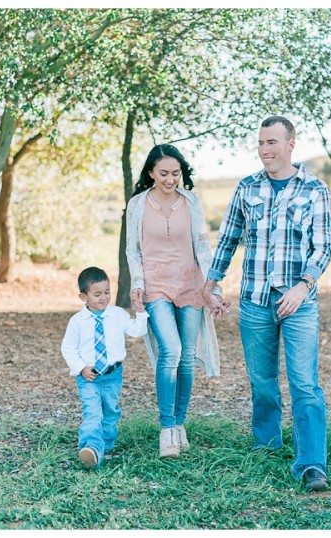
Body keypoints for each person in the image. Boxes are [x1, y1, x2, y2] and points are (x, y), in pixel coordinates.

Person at [202, 116, 331, 491]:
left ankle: (311, 464)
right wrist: (209, 284)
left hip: (299, 302)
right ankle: (267, 445)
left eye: (272, 142)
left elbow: (324, 247)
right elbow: (228, 239)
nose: (265, 150)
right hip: (255, 300)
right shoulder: (247, 188)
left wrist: (303, 286)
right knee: (262, 381)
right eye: (261, 143)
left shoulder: (315, 189)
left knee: (304, 384)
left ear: (291, 144)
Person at [126, 143, 222, 458]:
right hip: (156, 285)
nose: (170, 179)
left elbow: (203, 246)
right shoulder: (137, 204)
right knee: (172, 351)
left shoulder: (192, 202)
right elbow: (133, 250)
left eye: (176, 173)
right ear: (151, 173)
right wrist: (137, 284)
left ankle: (180, 423)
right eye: (164, 173)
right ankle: (167, 428)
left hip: (190, 284)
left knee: (188, 355)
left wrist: (213, 288)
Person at [61, 266, 149, 469]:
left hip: (112, 375)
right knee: (92, 413)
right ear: (83, 296)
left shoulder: (117, 315)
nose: (103, 298)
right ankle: (91, 448)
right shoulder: (77, 322)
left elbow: (137, 331)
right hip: (88, 377)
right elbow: (68, 347)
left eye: (107, 292)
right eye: (97, 294)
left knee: (110, 412)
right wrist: (81, 367)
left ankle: (106, 447)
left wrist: (141, 312)